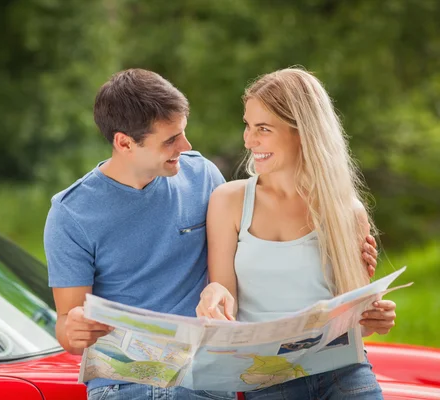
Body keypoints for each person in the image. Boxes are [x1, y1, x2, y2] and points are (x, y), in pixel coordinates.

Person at [43, 68, 384, 400]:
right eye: (171, 139)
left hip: (200, 379)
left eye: (183, 131)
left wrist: (346, 255)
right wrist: (74, 331)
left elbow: (242, 255)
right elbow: (68, 328)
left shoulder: (201, 176)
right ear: (124, 143)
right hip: (123, 382)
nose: (186, 145)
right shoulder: (71, 212)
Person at [195, 68, 396, 399]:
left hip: (343, 374)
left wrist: (374, 319)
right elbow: (224, 303)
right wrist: (211, 297)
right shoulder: (229, 201)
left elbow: (357, 326)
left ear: (302, 132)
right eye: (248, 125)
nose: (249, 140)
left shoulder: (346, 211)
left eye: (263, 129)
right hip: (269, 378)